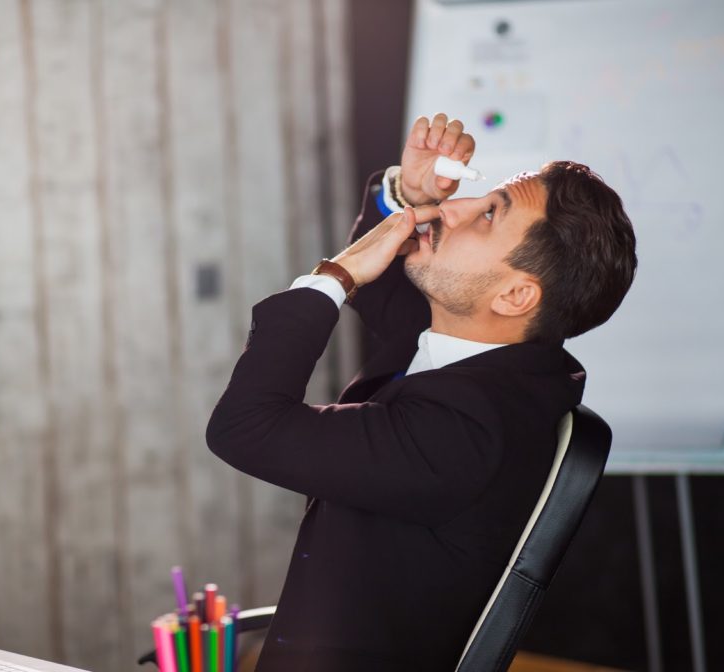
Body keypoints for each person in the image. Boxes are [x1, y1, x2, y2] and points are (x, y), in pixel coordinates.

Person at [206, 113, 637, 670]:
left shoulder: (461, 434)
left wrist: (334, 278)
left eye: (487, 216)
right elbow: (392, 285)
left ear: (514, 296)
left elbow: (246, 427)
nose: (452, 207)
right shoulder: (498, 362)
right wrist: (407, 196)